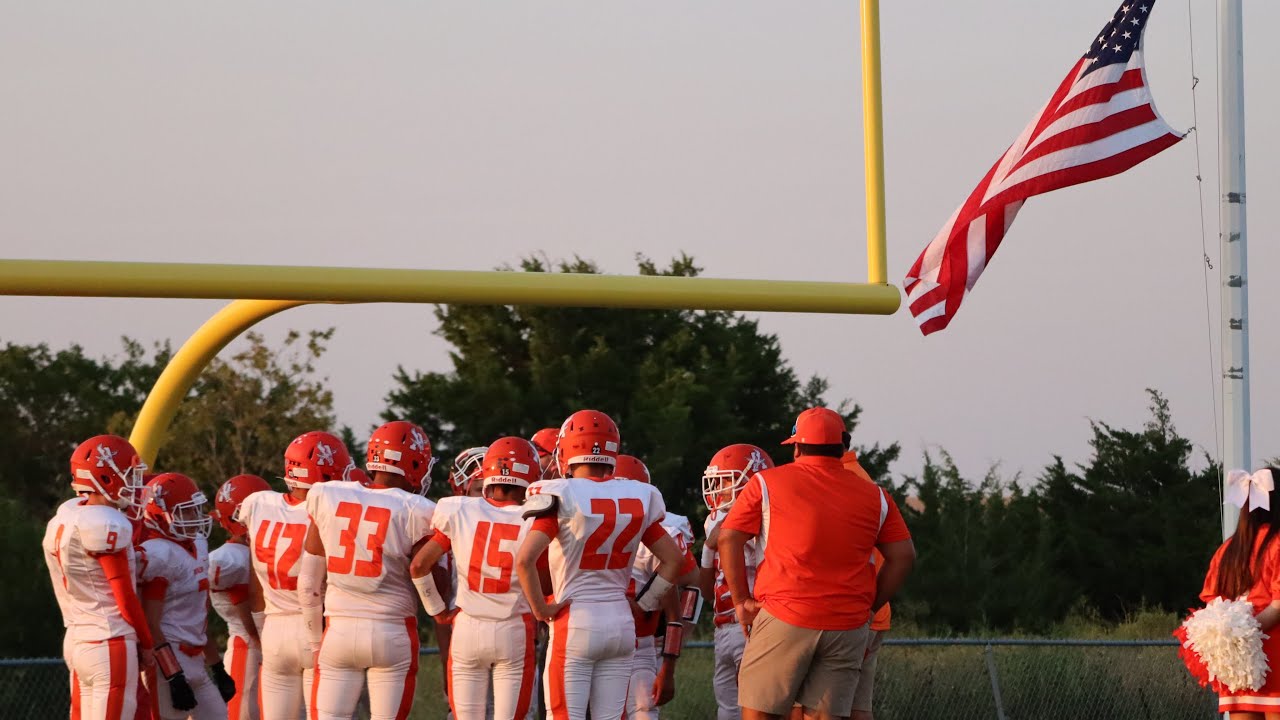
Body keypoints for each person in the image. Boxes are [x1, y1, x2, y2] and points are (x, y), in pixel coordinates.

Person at [721, 407, 915, 720]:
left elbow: (729, 538)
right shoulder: (876, 495)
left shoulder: (766, 483)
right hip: (847, 624)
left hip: (784, 614)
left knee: (760, 713)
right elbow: (903, 557)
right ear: (842, 447)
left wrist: (742, 601)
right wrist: (869, 608)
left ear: (797, 447)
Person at [513, 410, 696, 720]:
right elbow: (673, 560)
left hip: (575, 620)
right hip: (621, 624)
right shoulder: (638, 495)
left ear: (566, 450)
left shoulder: (559, 494)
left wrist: (541, 609)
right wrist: (645, 603)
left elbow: (524, 559)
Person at [299, 420, 438, 720]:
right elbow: (429, 575)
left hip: (339, 630)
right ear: (414, 463)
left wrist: (315, 642)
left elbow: (309, 582)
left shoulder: (328, 495)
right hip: (392, 631)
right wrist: (439, 612)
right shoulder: (417, 509)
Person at [411, 437, 542, 720]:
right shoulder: (535, 518)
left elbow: (419, 565)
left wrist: (438, 611)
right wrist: (543, 611)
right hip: (514, 628)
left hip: (467, 628)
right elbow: (543, 578)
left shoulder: (460, 510)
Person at [238, 430, 356, 719]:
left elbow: (254, 587)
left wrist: (262, 632)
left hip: (273, 628)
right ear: (325, 473)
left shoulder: (258, 504)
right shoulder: (330, 509)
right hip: (317, 627)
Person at [44, 435, 154, 720]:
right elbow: (124, 597)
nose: (134, 483)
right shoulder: (105, 523)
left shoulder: (65, 517)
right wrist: (147, 643)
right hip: (109, 640)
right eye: (128, 474)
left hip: (78, 638)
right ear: (105, 477)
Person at [136, 472, 228, 719]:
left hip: (196, 660)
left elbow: (200, 616)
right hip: (168, 662)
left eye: (194, 510)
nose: (194, 517)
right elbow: (150, 623)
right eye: (185, 512)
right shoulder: (158, 554)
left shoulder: (197, 544)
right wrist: (173, 674)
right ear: (158, 515)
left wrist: (216, 665)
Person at [615, 454, 693, 720]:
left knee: (642, 711)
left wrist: (669, 664)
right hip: (599, 638)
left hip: (641, 642)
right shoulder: (588, 528)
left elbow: (688, 593)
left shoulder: (659, 534)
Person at [699, 443, 775, 720]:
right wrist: (708, 548)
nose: (718, 489)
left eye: (726, 480)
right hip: (723, 626)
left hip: (752, 623)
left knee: (757, 705)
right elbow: (706, 590)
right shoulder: (714, 520)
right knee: (728, 709)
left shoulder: (765, 519)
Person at [1198, 467, 1280, 718]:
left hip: (1240, 664)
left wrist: (1237, 634)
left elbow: (1213, 605)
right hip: (1275, 656)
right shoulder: (1278, 543)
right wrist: (1249, 630)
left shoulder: (1227, 550)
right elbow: (1278, 605)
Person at [209, 474, 272, 720]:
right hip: (249, 646)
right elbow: (242, 605)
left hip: (262, 644)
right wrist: (260, 640)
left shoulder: (240, 554)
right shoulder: (229, 559)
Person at [840, 448, 891, 720]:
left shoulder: (842, 480)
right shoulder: (859, 477)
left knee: (823, 706)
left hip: (852, 614)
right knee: (858, 708)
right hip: (871, 611)